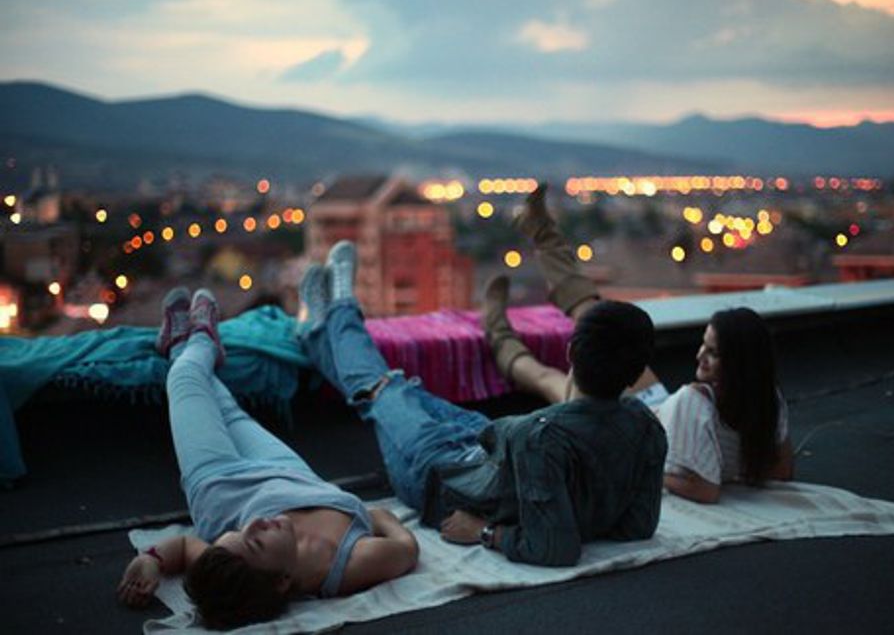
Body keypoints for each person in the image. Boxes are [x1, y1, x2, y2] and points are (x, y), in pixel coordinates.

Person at [297, 241, 668, 567]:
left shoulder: (540, 439)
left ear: (569, 353)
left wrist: (487, 532)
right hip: (483, 450)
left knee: (379, 389)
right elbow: (638, 525)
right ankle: (316, 331)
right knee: (403, 389)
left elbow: (556, 547)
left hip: (436, 476)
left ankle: (340, 308)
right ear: (637, 374)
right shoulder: (646, 426)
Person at [117, 288, 418, 630]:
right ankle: (189, 340)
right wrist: (375, 520)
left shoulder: (234, 559)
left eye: (240, 531)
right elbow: (402, 542)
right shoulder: (350, 564)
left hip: (216, 483)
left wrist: (152, 559)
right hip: (287, 473)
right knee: (222, 403)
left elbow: (186, 545)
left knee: (186, 380)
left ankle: (192, 341)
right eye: (257, 542)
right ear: (283, 582)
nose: (255, 523)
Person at [482, 183, 794, 504]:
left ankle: (496, 328)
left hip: (619, 422)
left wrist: (652, 470)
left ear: (739, 362)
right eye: (704, 345)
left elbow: (706, 489)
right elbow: (780, 471)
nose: (700, 355)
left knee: (546, 377)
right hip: (654, 406)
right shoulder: (767, 399)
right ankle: (541, 231)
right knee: (598, 321)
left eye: (714, 353)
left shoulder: (699, 401)